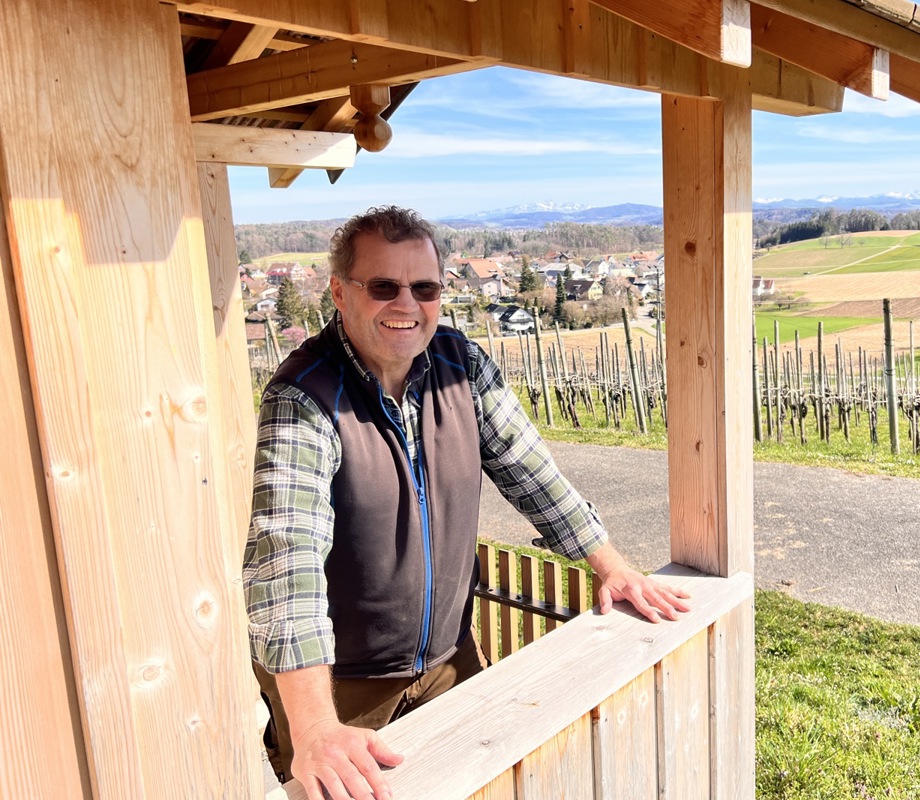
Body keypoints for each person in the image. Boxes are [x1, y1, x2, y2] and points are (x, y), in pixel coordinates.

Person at [243, 206, 690, 800]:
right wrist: (316, 725)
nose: (407, 304)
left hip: (450, 658)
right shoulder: (304, 398)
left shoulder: (462, 366)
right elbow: (287, 564)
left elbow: (533, 473)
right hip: (341, 686)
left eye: (424, 287)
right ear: (340, 293)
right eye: (383, 286)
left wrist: (613, 566)